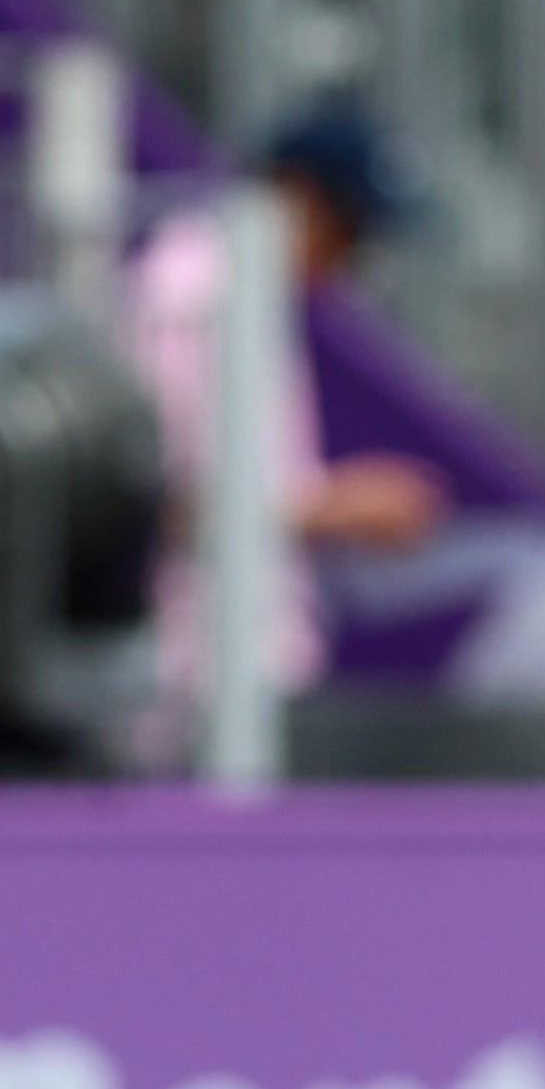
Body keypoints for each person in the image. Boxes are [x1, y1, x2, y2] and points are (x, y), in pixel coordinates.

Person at [120, 107, 451, 754]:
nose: (354, 256)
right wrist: (337, 506)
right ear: (298, 196)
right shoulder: (190, 297)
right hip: (190, 688)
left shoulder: (237, 292)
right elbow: (146, 505)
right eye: (351, 228)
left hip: (229, 684)